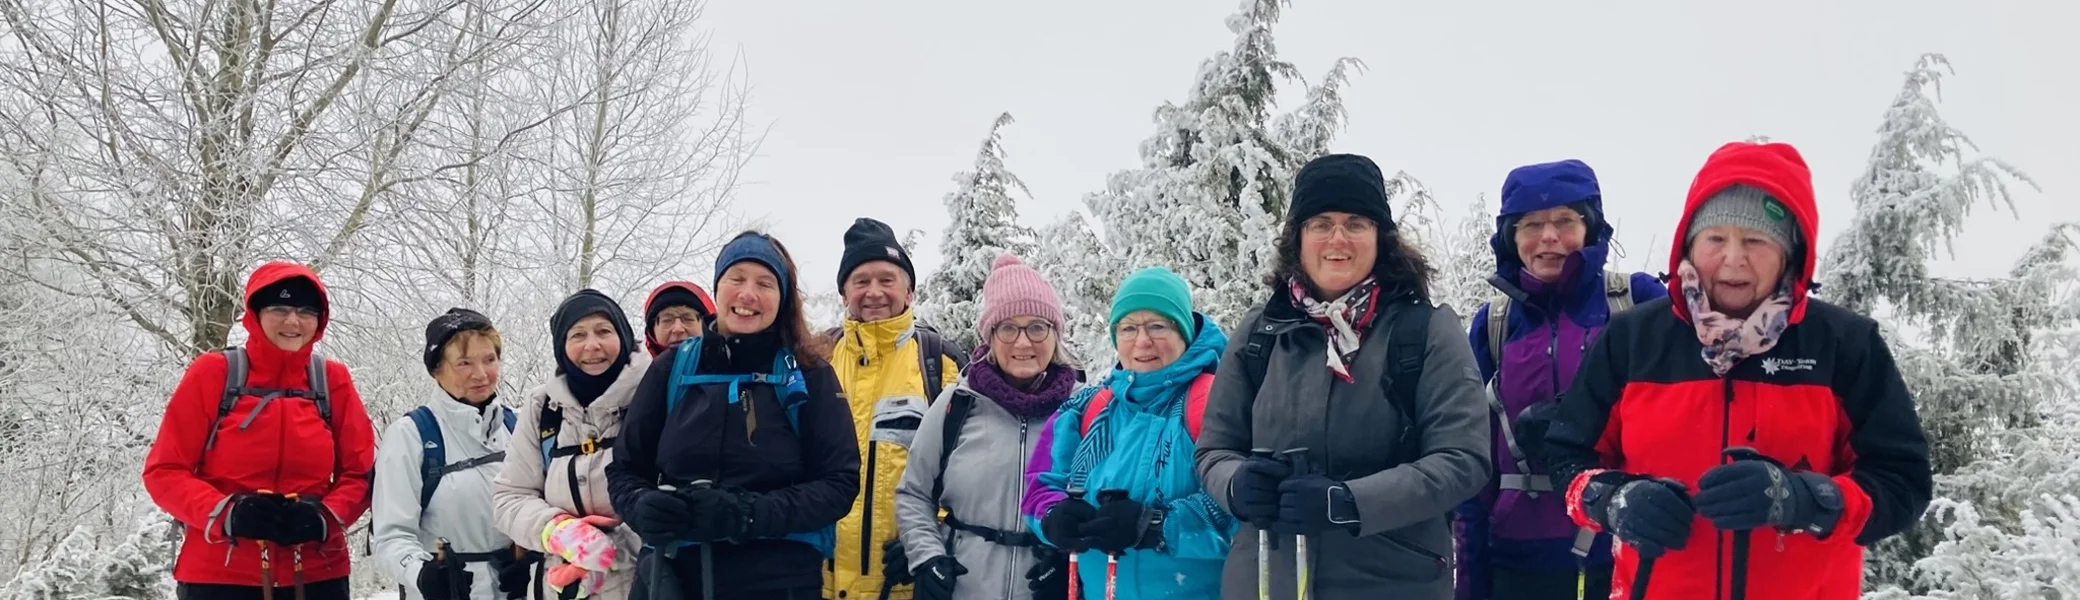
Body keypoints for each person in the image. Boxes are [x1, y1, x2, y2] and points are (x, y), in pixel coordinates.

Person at [1543, 141, 1933, 600]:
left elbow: (1901, 482)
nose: (1733, 258)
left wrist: (1806, 499)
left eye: (1755, 241)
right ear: (1689, 246)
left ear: (1790, 252)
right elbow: (1568, 456)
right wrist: (1611, 500)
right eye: (1715, 239)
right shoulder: (1633, 340)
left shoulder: (1844, 345)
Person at [1194, 153, 1492, 600]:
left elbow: (1462, 459)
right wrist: (1236, 484)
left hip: (1392, 583)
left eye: (1356, 223)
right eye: (1321, 223)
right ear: (1298, 238)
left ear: (1380, 238)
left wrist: (1349, 503)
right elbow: (1214, 450)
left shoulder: (1425, 331)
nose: (1338, 238)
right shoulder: (1259, 333)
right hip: (1264, 581)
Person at [1451, 160, 1669, 600]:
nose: (1548, 236)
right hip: (1518, 561)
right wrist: (1470, 582)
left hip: (1625, 554)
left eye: (1565, 221)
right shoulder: (1493, 324)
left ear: (1590, 228)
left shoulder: (1637, 302)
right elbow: (1473, 462)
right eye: (1531, 224)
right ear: (1511, 237)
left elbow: (1683, 416)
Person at [607, 231, 862, 600]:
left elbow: (839, 483)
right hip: (676, 577)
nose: (748, 294)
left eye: (765, 283)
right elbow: (625, 469)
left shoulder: (808, 373)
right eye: (736, 279)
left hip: (780, 581)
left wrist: (748, 514)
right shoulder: (672, 368)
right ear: (717, 288)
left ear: (782, 298)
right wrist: (641, 506)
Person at [142, 262, 377, 600]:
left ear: (320, 320)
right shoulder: (214, 373)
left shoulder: (331, 381)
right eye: (279, 309)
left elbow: (360, 473)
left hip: (316, 573)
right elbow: (165, 471)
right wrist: (227, 513)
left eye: (306, 311)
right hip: (219, 576)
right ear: (255, 314)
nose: (293, 321)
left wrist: (324, 517)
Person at [1023, 265, 1237, 599]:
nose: (1142, 341)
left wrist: (1158, 525)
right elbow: (1039, 488)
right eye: (1128, 328)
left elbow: (1245, 510)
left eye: (1158, 326)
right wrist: (1053, 517)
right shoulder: (1085, 410)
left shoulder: (1219, 403)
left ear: (1184, 332)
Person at [892, 255, 1080, 600]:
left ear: (1055, 334)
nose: (1023, 343)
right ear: (989, 336)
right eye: (1007, 328)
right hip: (964, 589)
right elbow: (914, 493)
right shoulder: (958, 405)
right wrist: (927, 557)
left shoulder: (1082, 410)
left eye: (1037, 327)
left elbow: (1100, 502)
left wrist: (1069, 560)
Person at [825, 217, 964, 600]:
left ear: (909, 291)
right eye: (861, 281)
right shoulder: (817, 361)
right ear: (844, 293)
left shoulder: (941, 364)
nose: (874, 292)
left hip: (902, 583)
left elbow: (965, 471)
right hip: (821, 581)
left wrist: (930, 540)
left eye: (887, 279)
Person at [372, 308, 540, 600]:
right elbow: (390, 537)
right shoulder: (411, 436)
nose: (481, 374)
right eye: (464, 363)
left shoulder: (519, 426)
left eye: (489, 360)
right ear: (436, 370)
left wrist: (535, 559)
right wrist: (422, 574)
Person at [493, 290, 650, 600]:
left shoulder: (652, 395)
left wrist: (613, 550)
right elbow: (509, 497)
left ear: (623, 337)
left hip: (644, 585)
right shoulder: (543, 408)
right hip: (560, 588)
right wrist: (557, 531)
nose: (592, 345)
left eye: (603, 331)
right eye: (578, 335)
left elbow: (676, 496)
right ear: (561, 346)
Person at [643, 281, 716, 355]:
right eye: (667, 320)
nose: (678, 329)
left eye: (688, 319)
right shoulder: (640, 361)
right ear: (652, 331)